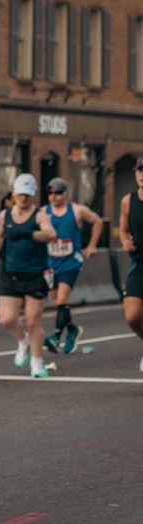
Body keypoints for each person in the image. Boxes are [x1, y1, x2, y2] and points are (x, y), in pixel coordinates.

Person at [0, 173, 57, 378]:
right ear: (13, 193)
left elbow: (51, 234)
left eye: (27, 194)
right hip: (11, 274)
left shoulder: (39, 216)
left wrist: (30, 234)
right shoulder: (4, 215)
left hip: (35, 274)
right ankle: (23, 340)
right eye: (20, 194)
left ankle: (36, 361)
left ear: (34, 194)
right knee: (7, 319)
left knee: (33, 320)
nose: (24, 198)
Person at [41, 177, 103, 354]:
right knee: (58, 302)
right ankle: (73, 330)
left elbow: (97, 222)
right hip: (50, 263)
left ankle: (56, 336)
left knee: (62, 300)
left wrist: (92, 245)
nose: (54, 196)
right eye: (51, 193)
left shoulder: (77, 210)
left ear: (66, 192)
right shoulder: (43, 212)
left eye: (58, 192)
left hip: (71, 262)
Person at [119, 157, 143, 372]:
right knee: (132, 315)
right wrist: (125, 241)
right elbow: (123, 229)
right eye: (139, 171)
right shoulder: (128, 200)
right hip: (139, 265)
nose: (142, 175)